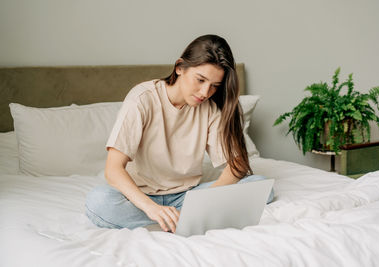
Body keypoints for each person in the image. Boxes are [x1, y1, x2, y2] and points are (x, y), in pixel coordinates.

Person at [85, 34, 273, 233]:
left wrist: (205, 202)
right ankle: (176, 220)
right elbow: (113, 170)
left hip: (188, 195)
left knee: (261, 187)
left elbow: (237, 163)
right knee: (99, 202)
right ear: (180, 67)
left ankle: (181, 219)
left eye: (214, 86)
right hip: (141, 197)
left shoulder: (209, 108)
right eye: (200, 80)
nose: (205, 92)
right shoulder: (142, 99)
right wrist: (152, 209)